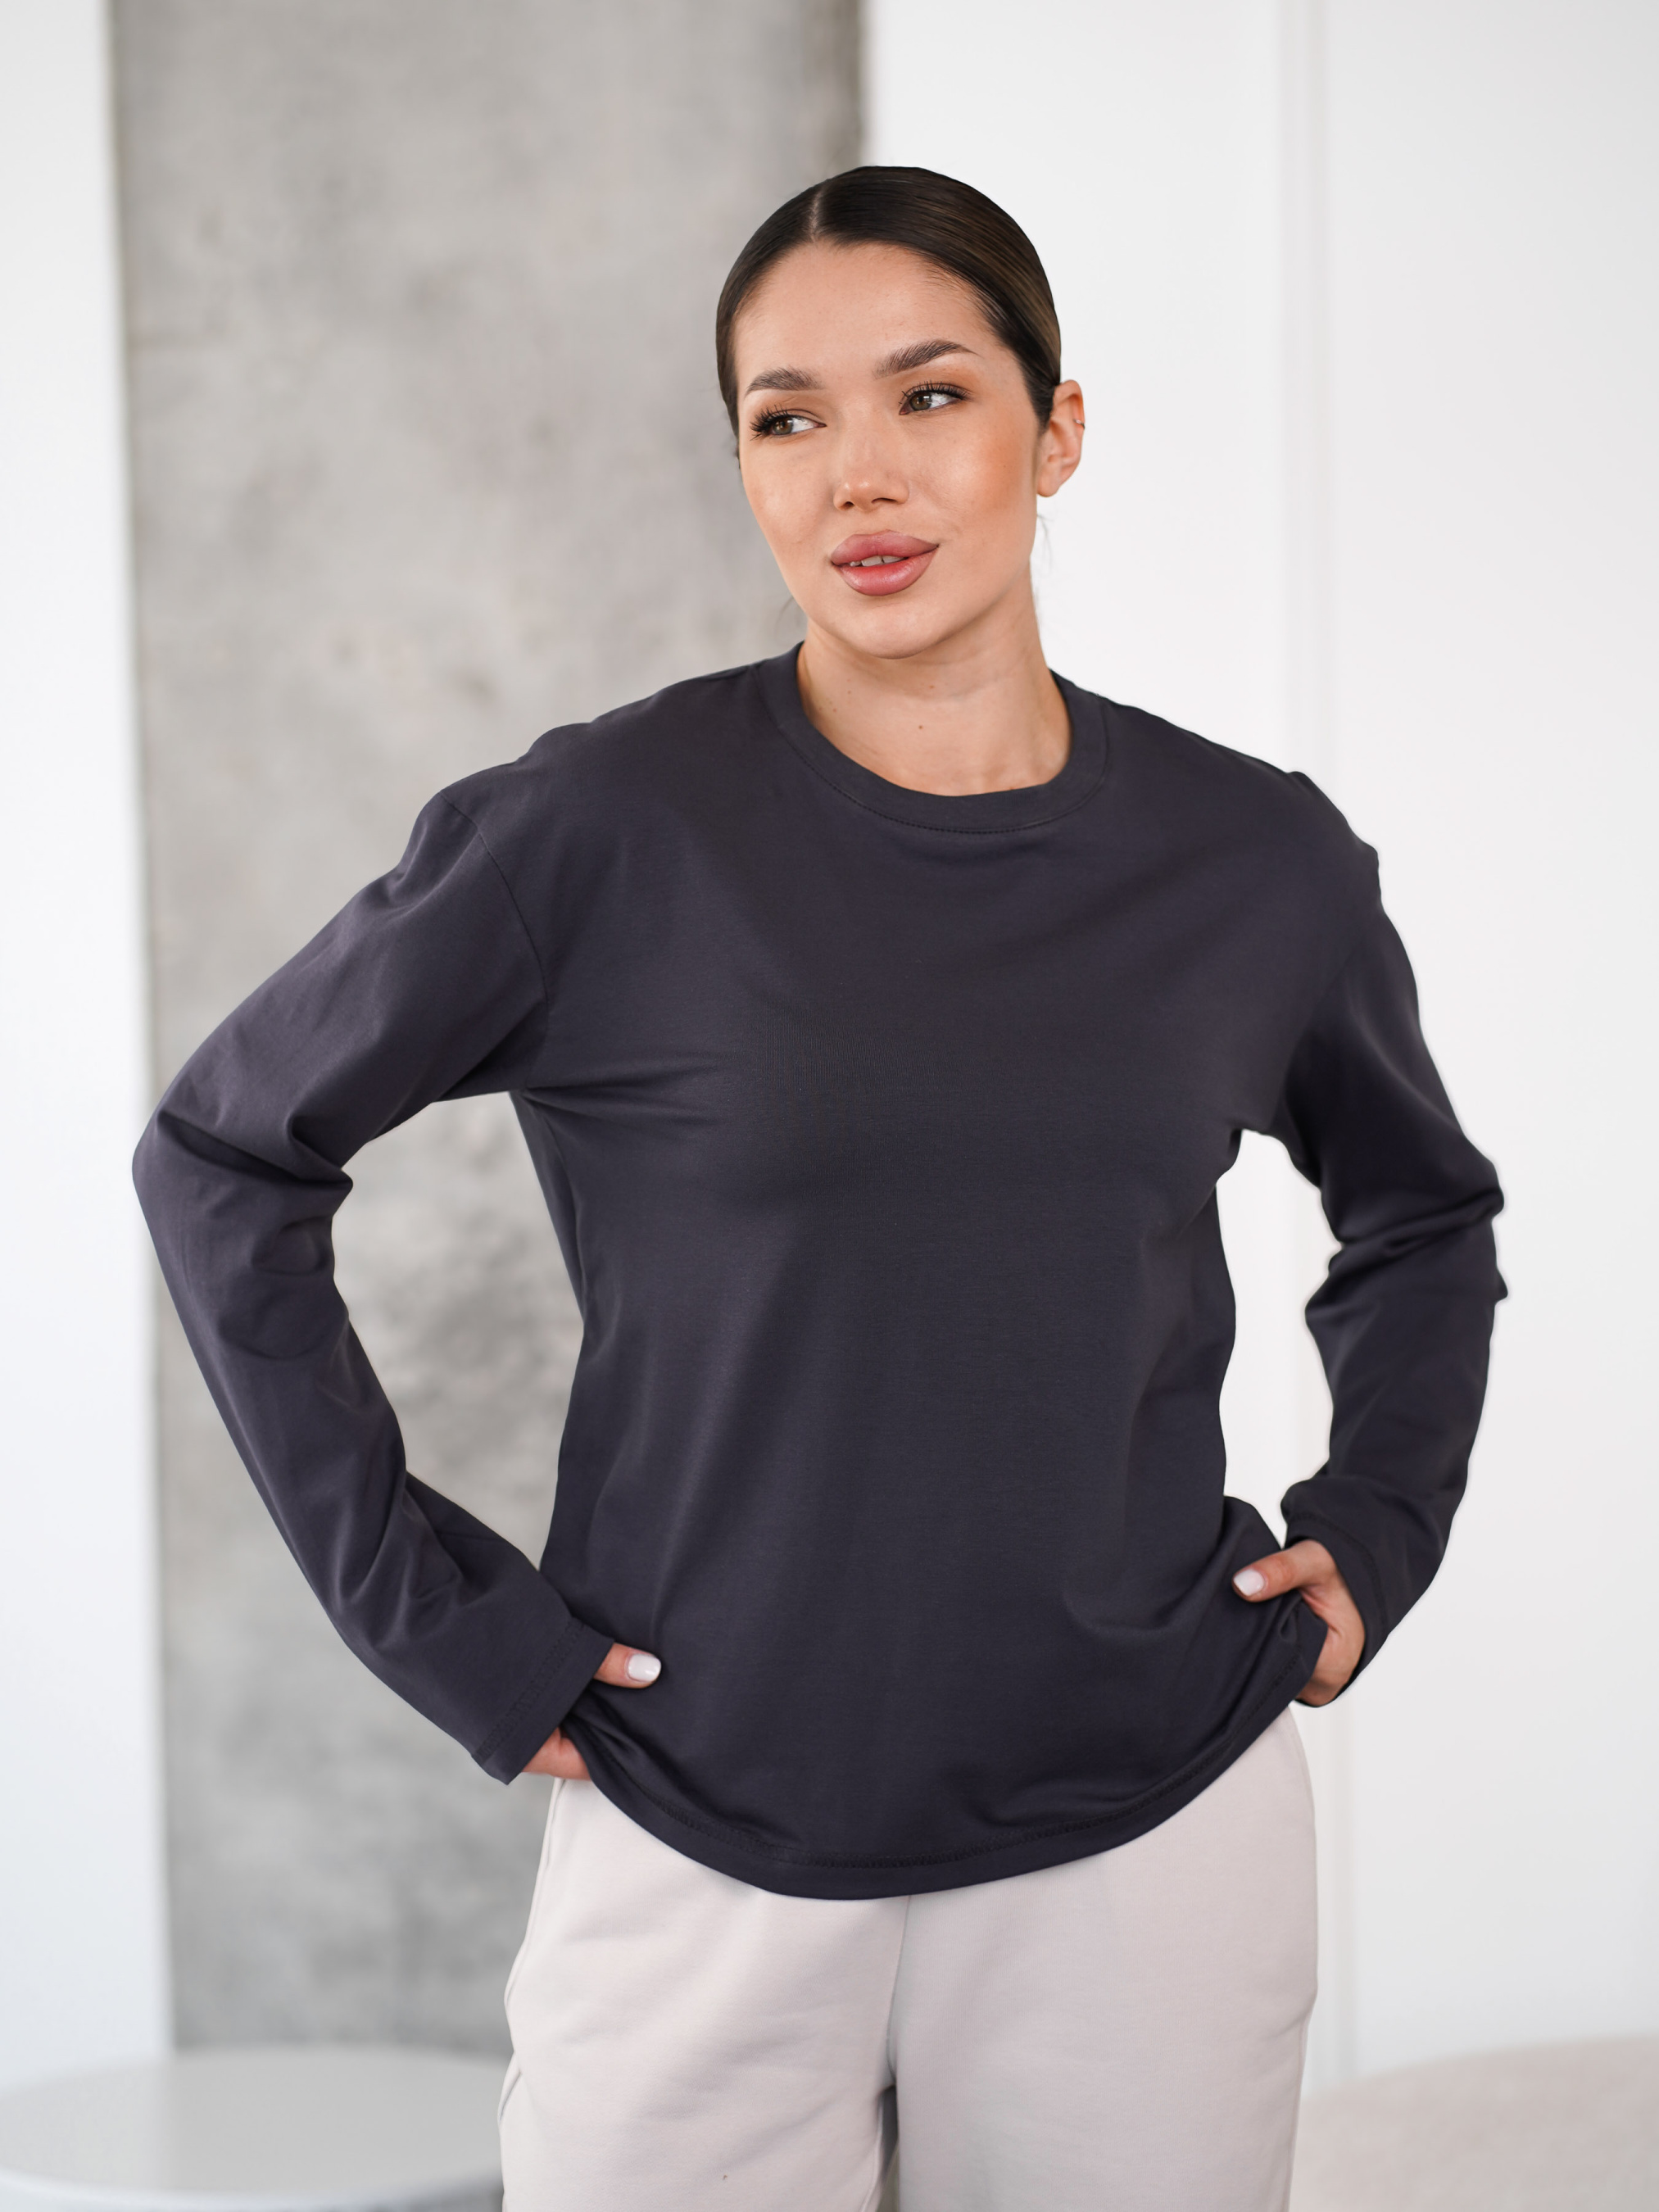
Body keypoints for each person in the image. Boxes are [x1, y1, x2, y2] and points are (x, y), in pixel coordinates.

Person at [134, 167, 1504, 2212]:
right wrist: (436, 1623)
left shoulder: (1255, 860)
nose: (856, 472)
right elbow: (225, 1154)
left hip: (1147, 1835)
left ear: (1053, 428)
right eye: (787, 417)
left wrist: (1376, 1528)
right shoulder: (594, 831)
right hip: (694, 1814)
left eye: (929, 394)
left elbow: (1419, 1217)